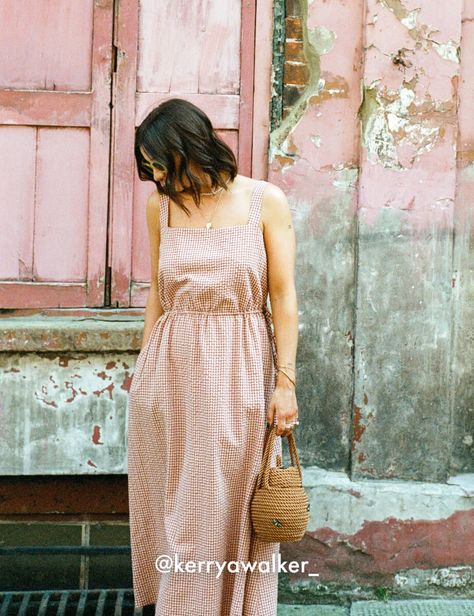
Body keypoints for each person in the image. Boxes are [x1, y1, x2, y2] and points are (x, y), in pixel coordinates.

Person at [127, 97, 299, 616]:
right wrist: (143, 369)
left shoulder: (264, 201)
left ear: (190, 148)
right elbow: (159, 291)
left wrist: (285, 383)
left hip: (242, 364)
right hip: (171, 369)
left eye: (159, 162)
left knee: (231, 498)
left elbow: (284, 296)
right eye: (149, 167)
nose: (155, 175)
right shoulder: (161, 206)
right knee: (177, 502)